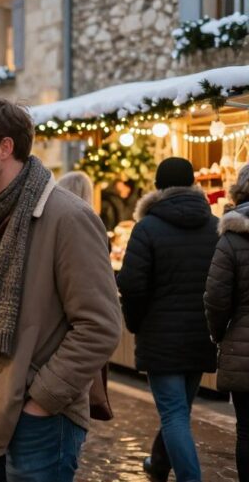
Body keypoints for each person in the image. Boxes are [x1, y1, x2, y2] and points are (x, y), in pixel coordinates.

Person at [0, 98, 121, 481]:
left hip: (37, 419)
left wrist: (43, 400)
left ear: (5, 147)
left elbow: (99, 326)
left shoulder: (68, 218)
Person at [117, 157, 218, 482]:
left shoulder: (147, 227)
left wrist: (135, 323)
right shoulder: (213, 225)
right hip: (201, 334)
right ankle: (160, 463)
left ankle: (190, 478)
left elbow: (131, 285)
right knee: (179, 411)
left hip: (161, 337)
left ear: (158, 188)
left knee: (174, 413)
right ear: (193, 185)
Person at [205, 164, 249, 482]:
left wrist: (219, 335)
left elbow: (216, 298)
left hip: (244, 351)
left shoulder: (232, 237)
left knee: (247, 431)